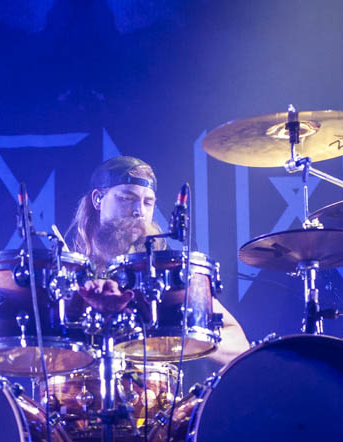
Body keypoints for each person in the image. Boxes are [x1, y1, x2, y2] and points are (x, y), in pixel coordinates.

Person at [67, 155, 250, 367]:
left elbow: (239, 345)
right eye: (126, 198)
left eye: (148, 202)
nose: (139, 212)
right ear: (98, 199)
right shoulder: (69, 276)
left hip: (154, 387)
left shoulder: (164, 274)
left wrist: (175, 341)